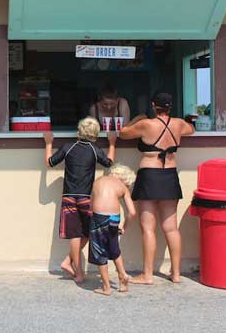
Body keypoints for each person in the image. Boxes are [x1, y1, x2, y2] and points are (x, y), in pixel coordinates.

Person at [119, 92, 195, 284]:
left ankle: (147, 275)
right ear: (170, 107)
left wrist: (139, 117)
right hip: (170, 175)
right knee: (171, 228)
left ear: (154, 105)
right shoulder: (178, 124)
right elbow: (191, 129)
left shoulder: (146, 124)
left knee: (148, 228)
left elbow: (123, 132)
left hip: (150, 176)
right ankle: (176, 274)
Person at [44, 117, 117, 284]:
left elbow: (50, 163)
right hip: (86, 197)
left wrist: (48, 143)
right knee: (90, 232)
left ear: (79, 131)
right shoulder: (94, 149)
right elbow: (109, 163)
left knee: (75, 235)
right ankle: (76, 270)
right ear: (95, 134)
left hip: (68, 196)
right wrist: (113, 143)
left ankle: (71, 265)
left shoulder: (68, 147)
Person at [88, 163, 136, 296]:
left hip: (98, 218)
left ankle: (106, 287)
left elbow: (91, 204)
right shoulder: (122, 187)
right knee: (114, 248)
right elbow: (132, 212)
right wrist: (124, 227)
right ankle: (123, 275)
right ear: (125, 180)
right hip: (114, 219)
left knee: (99, 251)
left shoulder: (99, 180)